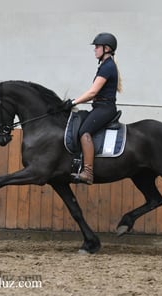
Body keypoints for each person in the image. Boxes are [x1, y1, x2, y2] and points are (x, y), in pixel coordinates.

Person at [62, 32, 122, 185]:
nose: (94, 49)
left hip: (105, 108)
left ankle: (88, 172)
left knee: (84, 132)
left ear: (106, 48)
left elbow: (93, 92)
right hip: (99, 107)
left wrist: (74, 102)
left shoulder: (107, 67)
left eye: (97, 47)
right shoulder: (106, 65)